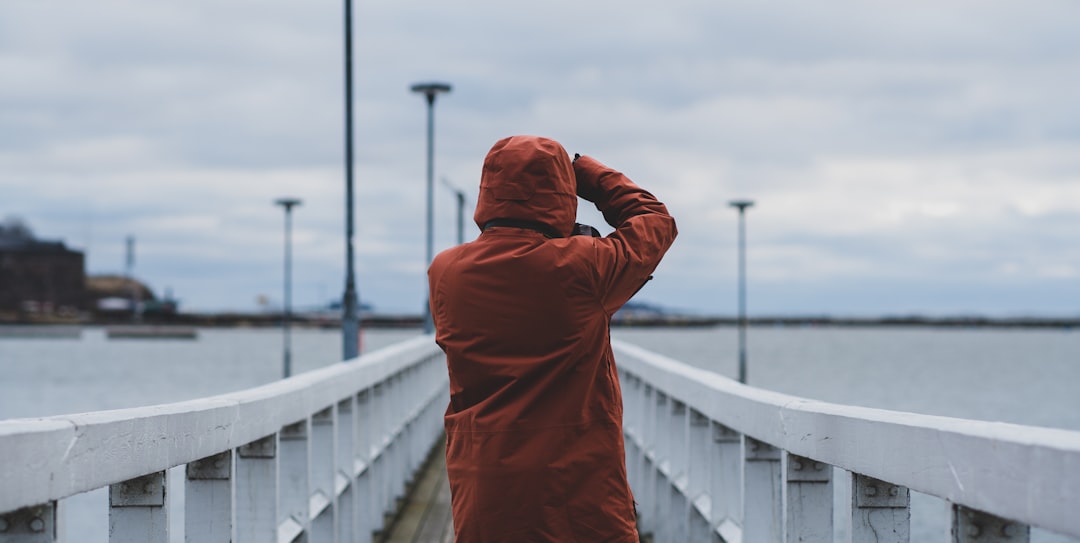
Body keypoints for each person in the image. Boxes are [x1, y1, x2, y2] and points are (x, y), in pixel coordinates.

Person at [427, 135, 677, 542]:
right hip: (576, 484)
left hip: (484, 483)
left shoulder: (445, 271)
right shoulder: (583, 267)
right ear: (560, 191)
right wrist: (587, 174)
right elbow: (655, 221)